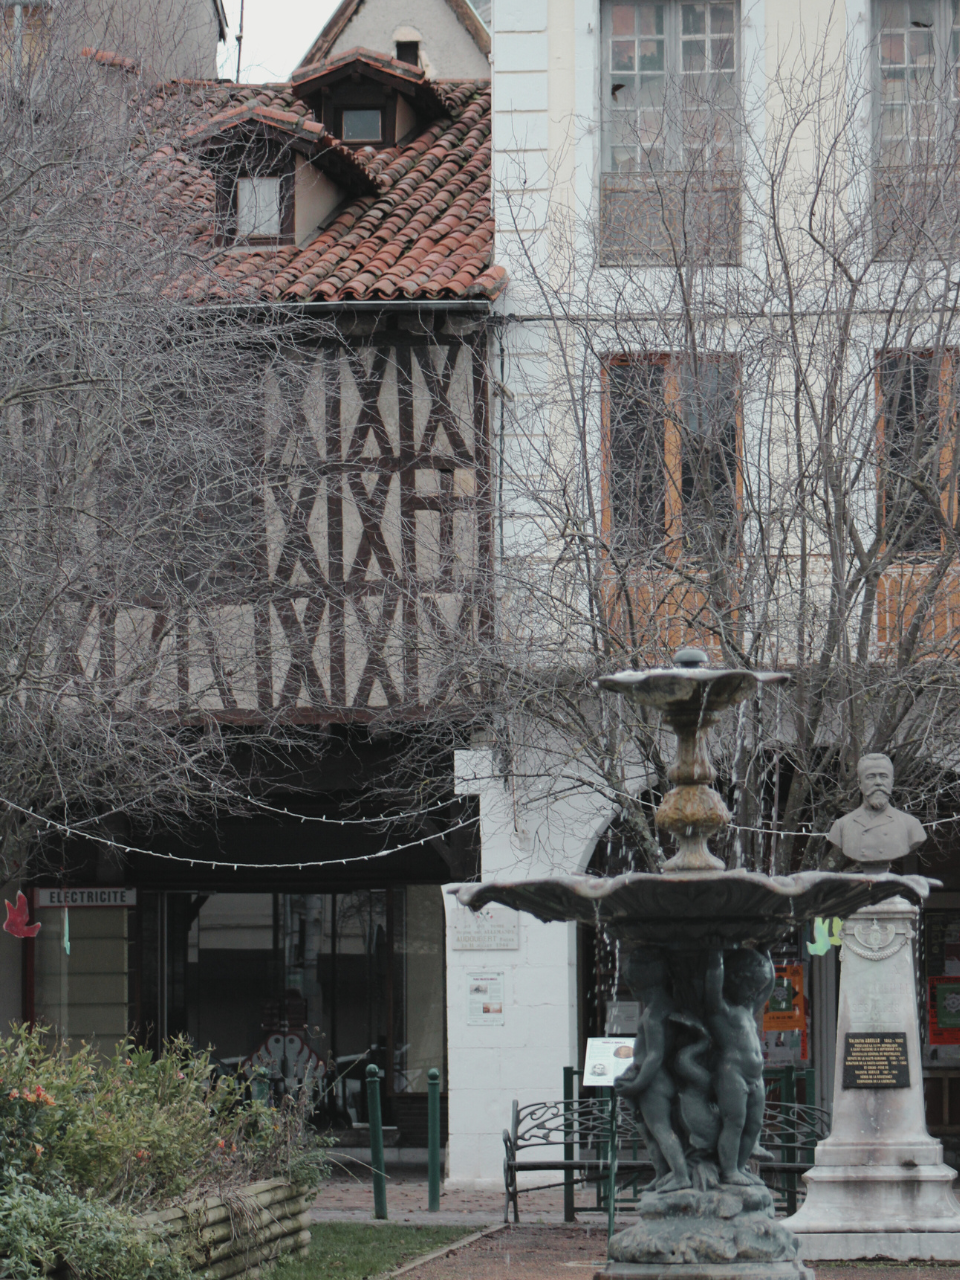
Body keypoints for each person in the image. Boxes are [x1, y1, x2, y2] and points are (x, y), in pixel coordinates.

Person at [615, 948, 691, 1191]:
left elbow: (654, 1056)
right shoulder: (668, 1005)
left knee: (659, 1130)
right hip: (660, 1080)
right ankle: (662, 1174)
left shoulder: (651, 1015)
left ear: (638, 984)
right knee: (650, 1132)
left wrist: (636, 1085)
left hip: (653, 1083)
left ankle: (680, 1175)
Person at [704, 947, 775, 1186]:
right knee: (734, 1122)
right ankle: (729, 1170)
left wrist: (768, 957)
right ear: (733, 981)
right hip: (731, 1073)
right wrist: (716, 961)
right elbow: (712, 991)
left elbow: (767, 990)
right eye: (748, 987)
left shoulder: (747, 1009)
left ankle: (741, 1166)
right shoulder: (721, 1010)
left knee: (753, 1124)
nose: (752, 994)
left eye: (754, 989)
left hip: (755, 1077)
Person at [826, 753, 925, 872]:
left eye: (883, 776)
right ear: (860, 784)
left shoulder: (911, 825)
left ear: (892, 783)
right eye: (871, 777)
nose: (878, 782)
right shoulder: (841, 826)